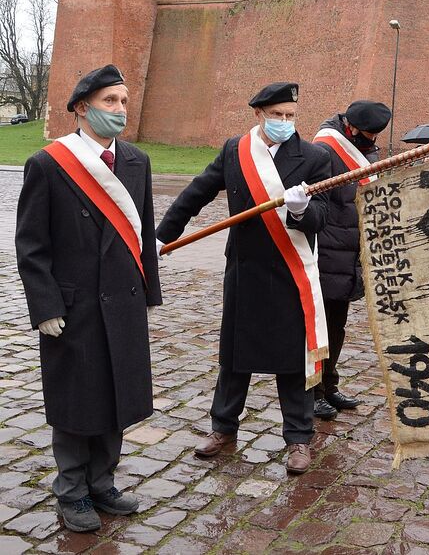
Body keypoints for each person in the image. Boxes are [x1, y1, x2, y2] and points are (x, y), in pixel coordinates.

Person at [15, 65, 162, 532]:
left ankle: (102, 482)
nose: (120, 110)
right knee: (77, 399)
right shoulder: (49, 164)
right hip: (74, 306)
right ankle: (72, 490)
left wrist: (149, 294)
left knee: (117, 394)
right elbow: (31, 245)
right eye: (109, 101)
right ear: (82, 108)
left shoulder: (136, 160)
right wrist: (45, 306)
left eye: (123, 101)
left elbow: (143, 233)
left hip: (123, 300)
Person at [156, 82, 331, 474]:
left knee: (293, 359)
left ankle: (299, 438)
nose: (285, 121)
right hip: (245, 269)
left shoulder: (315, 157)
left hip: (290, 271)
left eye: (290, 115)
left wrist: (301, 211)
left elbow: (323, 217)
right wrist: (162, 236)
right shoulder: (236, 150)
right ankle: (223, 428)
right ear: (259, 115)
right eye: (277, 115)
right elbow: (197, 192)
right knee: (234, 357)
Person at [311, 100, 391, 420]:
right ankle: (311, 393)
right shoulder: (325, 149)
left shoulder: (364, 150)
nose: (372, 140)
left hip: (349, 253)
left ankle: (329, 385)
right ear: (352, 127)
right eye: (369, 134)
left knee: (336, 327)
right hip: (325, 252)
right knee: (316, 329)